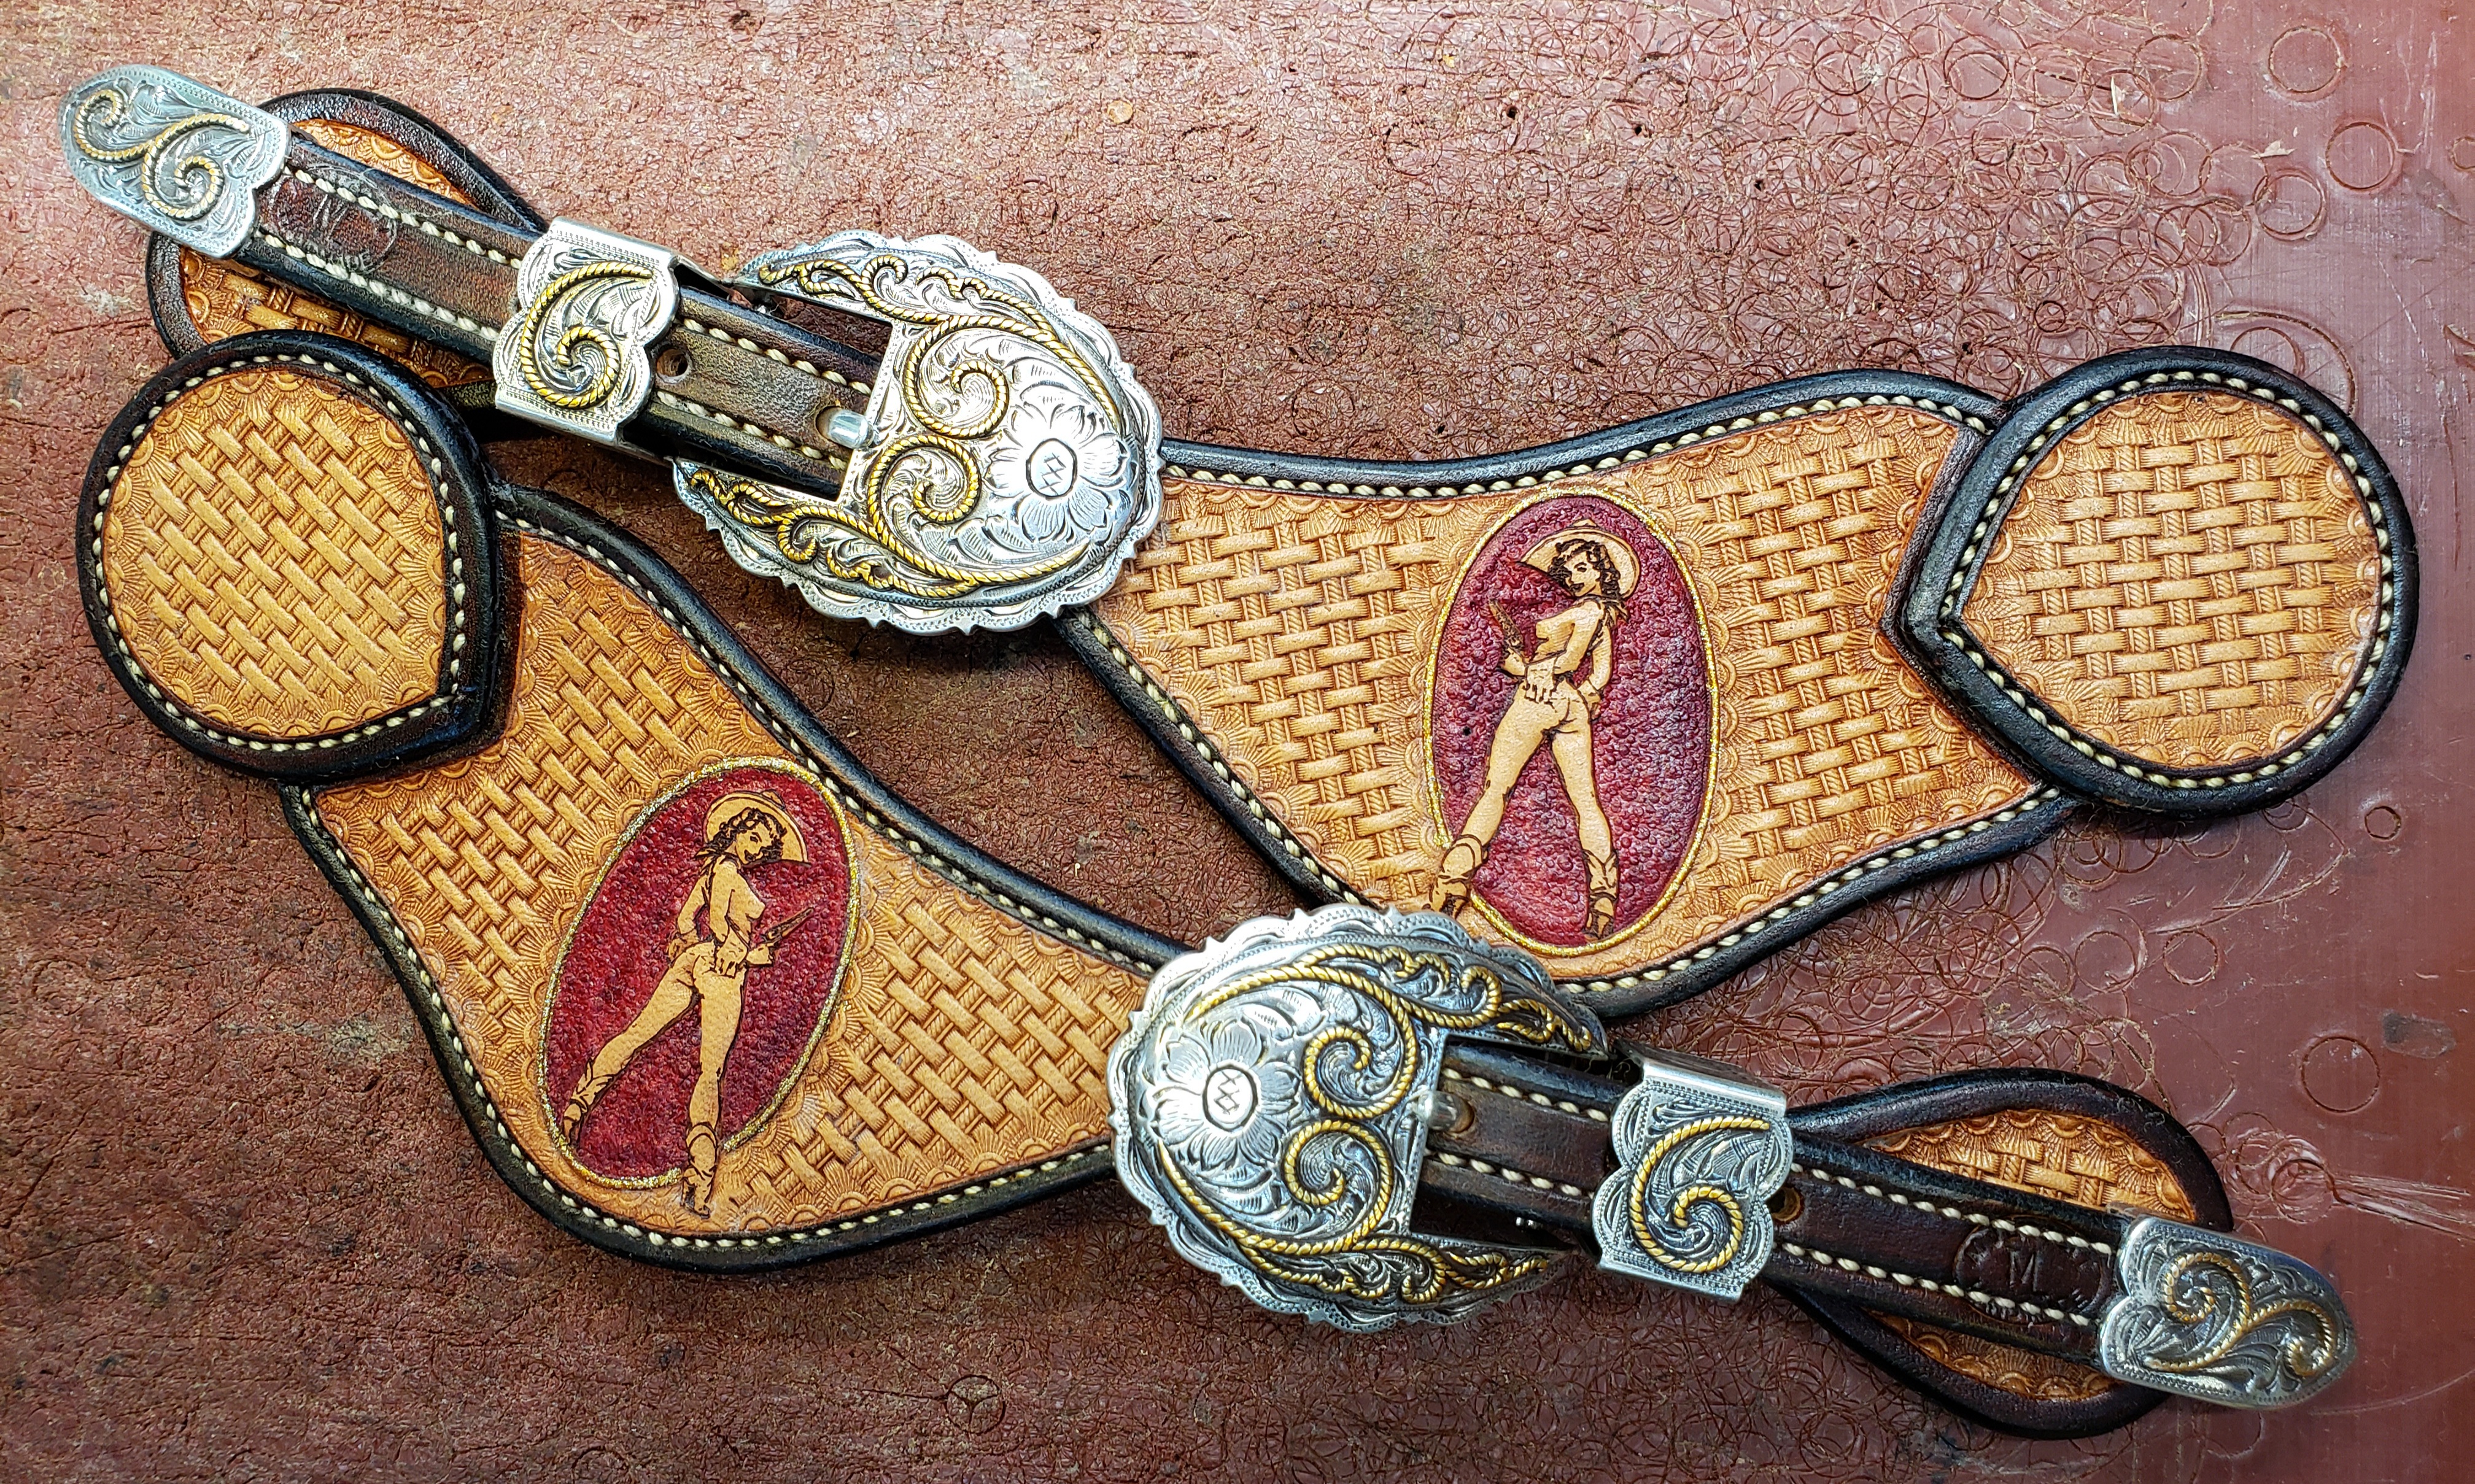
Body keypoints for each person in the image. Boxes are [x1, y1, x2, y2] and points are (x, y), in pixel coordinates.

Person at [559, 790, 807, 1216]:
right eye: (755, 837)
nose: (758, 849)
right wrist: (753, 955)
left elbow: (685, 918)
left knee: (637, 1034)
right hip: (722, 973)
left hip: (695, 961)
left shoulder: (712, 869)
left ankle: (578, 1106)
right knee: (711, 1072)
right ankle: (700, 1177)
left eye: (764, 846)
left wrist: (691, 944)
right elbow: (722, 928)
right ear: (738, 830)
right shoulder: (728, 872)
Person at [1432, 519, 1640, 938]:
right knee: (1586, 801)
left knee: (1497, 789)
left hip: (1538, 699)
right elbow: (1601, 672)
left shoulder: (1588, 611)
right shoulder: (1603, 615)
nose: (1575, 577)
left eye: (1584, 568)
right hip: (1571, 706)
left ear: (1602, 570)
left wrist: (1525, 669)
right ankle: (1603, 900)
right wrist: (1583, 695)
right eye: (1571, 570)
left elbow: (1569, 659)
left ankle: (1453, 882)